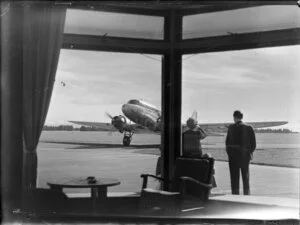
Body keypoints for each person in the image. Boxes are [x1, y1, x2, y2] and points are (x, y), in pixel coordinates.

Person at [226, 110, 256, 195]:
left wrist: (230, 154)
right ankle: (247, 195)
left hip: (233, 157)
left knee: (234, 178)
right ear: (242, 117)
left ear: (234, 117)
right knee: (245, 178)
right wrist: (248, 153)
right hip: (244, 156)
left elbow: (227, 143)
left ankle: (235, 195)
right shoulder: (249, 127)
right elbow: (253, 144)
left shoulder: (231, 128)